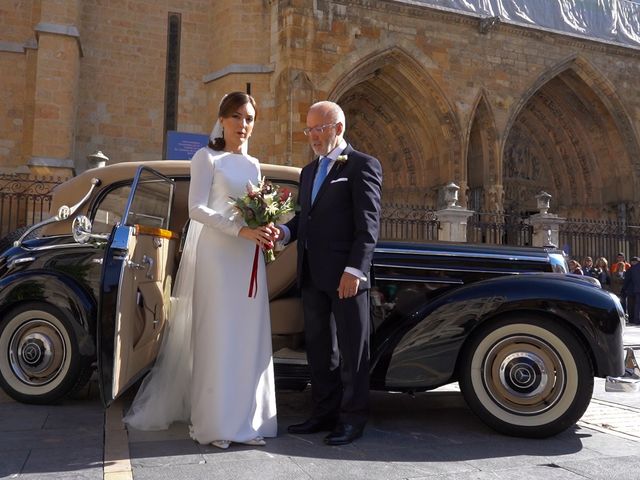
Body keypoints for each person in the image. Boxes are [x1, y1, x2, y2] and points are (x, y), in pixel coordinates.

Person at [124, 92, 278, 449]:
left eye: (250, 119)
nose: (244, 125)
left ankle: (245, 420)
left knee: (247, 337)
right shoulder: (205, 158)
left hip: (248, 258)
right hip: (218, 256)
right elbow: (196, 209)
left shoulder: (254, 165)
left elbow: (257, 209)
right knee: (218, 336)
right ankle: (215, 424)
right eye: (238, 117)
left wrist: (266, 226)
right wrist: (240, 229)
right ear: (222, 119)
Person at [278, 100, 383, 445]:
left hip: (346, 277)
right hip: (311, 274)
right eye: (308, 129)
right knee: (321, 351)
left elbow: (368, 225)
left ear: (338, 128)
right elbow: (303, 218)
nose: (312, 136)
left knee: (353, 352)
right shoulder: (308, 172)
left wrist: (355, 269)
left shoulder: (362, 165)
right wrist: (283, 233)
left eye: (318, 128)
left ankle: (352, 420)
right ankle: (323, 413)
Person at [622, 256, 640, 326]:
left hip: (632, 289)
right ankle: (635, 319)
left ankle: (634, 319)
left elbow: (627, 280)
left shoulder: (631, 269)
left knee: (633, 305)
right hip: (634, 289)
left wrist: (624, 289)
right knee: (636, 305)